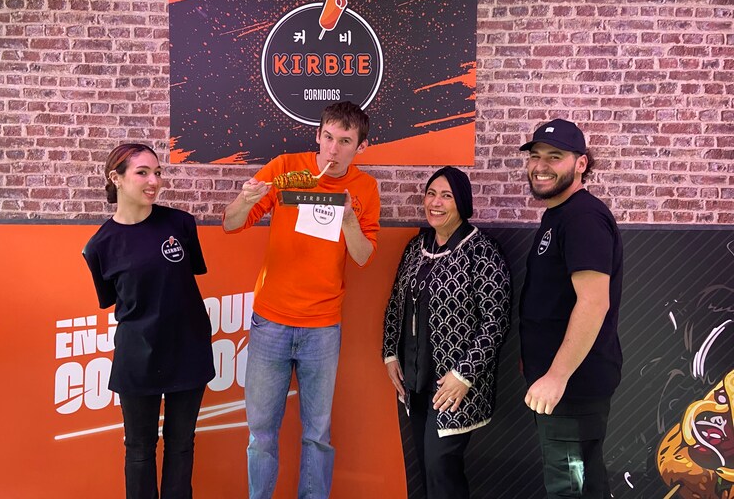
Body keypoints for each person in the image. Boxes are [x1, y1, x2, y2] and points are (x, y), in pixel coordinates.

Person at [222, 100, 380, 499]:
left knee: (317, 435)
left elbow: (363, 256)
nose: (333, 149)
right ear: (317, 135)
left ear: (361, 147)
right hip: (270, 321)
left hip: (322, 327)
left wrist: (348, 220)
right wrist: (245, 199)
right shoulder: (285, 168)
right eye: (328, 137)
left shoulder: (365, 188)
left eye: (345, 141)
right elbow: (231, 224)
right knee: (261, 433)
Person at [82, 143, 215, 499]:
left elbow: (187, 277)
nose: (153, 181)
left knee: (181, 444)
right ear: (116, 178)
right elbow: (116, 301)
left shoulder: (180, 224)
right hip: (137, 356)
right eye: (142, 173)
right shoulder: (99, 246)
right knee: (139, 449)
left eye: (157, 172)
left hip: (188, 348)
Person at [382, 166, 511, 499]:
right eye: (431, 194)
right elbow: (396, 304)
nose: (435, 203)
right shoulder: (416, 247)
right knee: (426, 470)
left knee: (441, 469)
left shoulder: (482, 251)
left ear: (462, 203)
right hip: (415, 382)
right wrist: (390, 354)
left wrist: (463, 375)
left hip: (454, 387)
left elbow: (495, 321)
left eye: (446, 196)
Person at [518, 119, 623, 499]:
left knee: (570, 488)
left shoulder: (583, 218)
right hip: (558, 384)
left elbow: (594, 302)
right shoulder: (559, 213)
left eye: (555, 156)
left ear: (581, 163)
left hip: (573, 387)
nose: (541, 165)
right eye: (535, 156)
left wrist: (557, 375)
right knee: (582, 485)